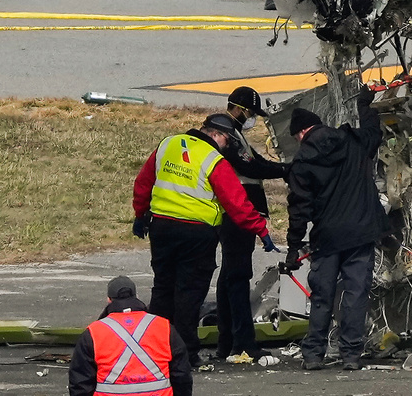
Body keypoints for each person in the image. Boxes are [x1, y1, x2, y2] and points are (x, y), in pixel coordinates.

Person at [132, 113, 278, 368]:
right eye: (227, 140)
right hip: (196, 234)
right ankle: (185, 354)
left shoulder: (169, 144)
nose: (227, 146)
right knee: (189, 295)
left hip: (162, 228)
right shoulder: (214, 159)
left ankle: (154, 350)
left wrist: (140, 213)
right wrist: (260, 230)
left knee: (163, 289)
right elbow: (237, 203)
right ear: (216, 135)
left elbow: (144, 181)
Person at [283, 87, 387, 371]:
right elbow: (373, 131)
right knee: (355, 294)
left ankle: (314, 353)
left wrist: (293, 247)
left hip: (327, 237)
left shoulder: (303, 161)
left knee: (322, 295)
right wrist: (366, 104)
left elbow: (299, 208)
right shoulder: (352, 141)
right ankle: (351, 354)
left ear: (302, 132)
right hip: (361, 232)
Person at [215, 87, 288, 362]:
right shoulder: (229, 138)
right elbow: (251, 168)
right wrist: (283, 170)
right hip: (237, 215)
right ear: (240, 109)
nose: (252, 118)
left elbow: (256, 161)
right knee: (237, 277)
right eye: (251, 112)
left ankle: (228, 342)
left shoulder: (236, 135)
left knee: (229, 277)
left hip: (238, 214)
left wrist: (281, 168)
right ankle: (243, 343)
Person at [69, 275, 193, 396]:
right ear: (137, 296)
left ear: (109, 300)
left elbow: (80, 382)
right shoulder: (164, 327)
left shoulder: (94, 332)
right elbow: (181, 376)